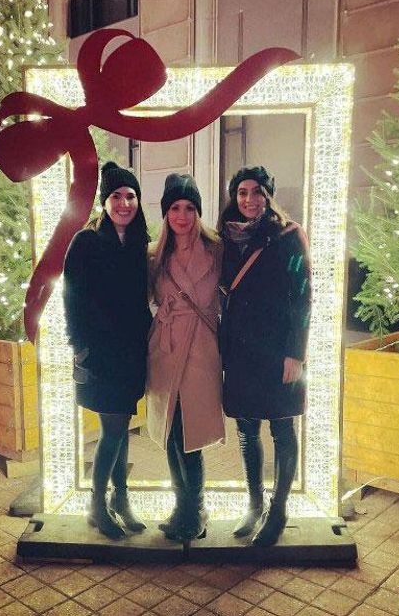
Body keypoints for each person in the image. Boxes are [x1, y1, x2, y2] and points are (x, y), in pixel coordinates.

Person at [218, 166, 312, 546]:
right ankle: (254, 504)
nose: (249, 199)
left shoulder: (288, 236)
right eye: (242, 192)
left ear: (268, 195)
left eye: (257, 192)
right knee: (246, 429)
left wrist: (295, 352)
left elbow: (303, 296)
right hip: (241, 351)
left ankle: (278, 509)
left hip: (278, 350)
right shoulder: (227, 237)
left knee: (282, 428)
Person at [63, 161, 151, 539]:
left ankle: (121, 499)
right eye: (116, 196)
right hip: (99, 354)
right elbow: (72, 299)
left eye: (131, 196)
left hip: (131, 353)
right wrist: (79, 345)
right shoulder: (86, 242)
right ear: (104, 201)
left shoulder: (140, 243)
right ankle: (98, 505)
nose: (124, 203)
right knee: (113, 430)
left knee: (120, 426)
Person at [147, 173, 226, 541]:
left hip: (200, 349)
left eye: (190, 207)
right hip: (166, 348)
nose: (182, 215)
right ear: (166, 212)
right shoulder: (154, 255)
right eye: (175, 207)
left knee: (189, 432)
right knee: (171, 430)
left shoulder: (217, 250)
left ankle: (195, 509)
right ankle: (183, 508)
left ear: (198, 211)